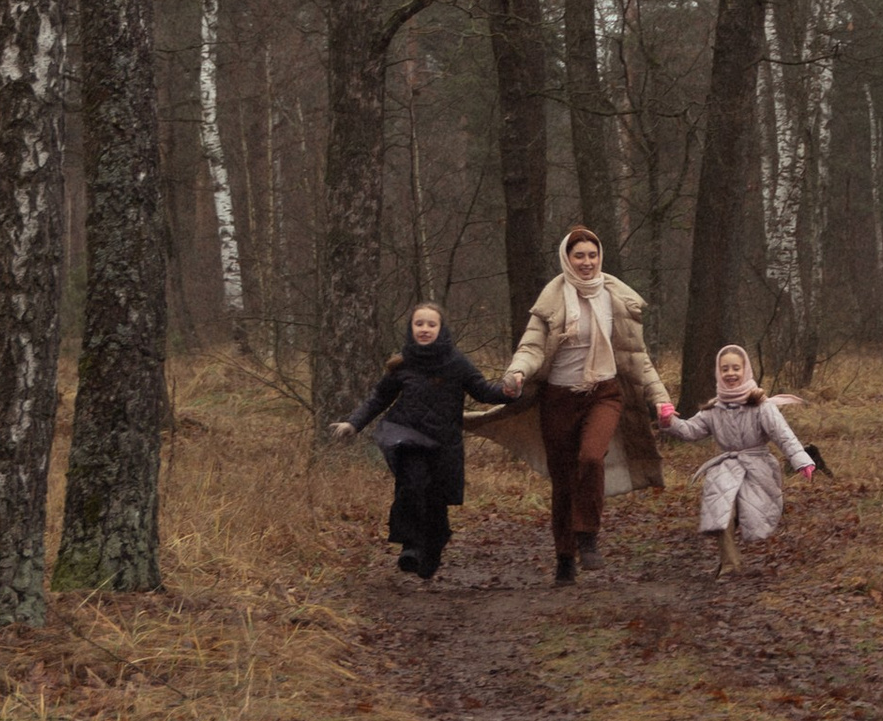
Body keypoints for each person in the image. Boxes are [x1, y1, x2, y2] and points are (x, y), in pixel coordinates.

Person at [501, 226, 676, 586]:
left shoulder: (615, 297)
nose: (586, 262)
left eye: (592, 255)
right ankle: (565, 557)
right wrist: (517, 373)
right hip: (559, 399)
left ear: (601, 258)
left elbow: (637, 358)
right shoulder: (551, 300)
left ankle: (588, 535)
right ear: (567, 258)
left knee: (592, 458)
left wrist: (661, 399)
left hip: (603, 393)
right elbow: (532, 347)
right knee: (563, 482)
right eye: (579, 255)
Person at [334, 304, 507, 583]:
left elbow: (484, 391)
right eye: (419, 324)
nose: (424, 329)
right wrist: (353, 423)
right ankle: (410, 546)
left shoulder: (457, 363)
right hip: (406, 435)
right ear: (411, 328)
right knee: (412, 486)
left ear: (441, 329)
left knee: (435, 499)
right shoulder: (402, 363)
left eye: (431, 325)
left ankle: (435, 544)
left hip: (443, 441)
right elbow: (379, 398)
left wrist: (510, 391)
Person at [665, 346, 818, 573]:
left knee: (751, 512)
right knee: (721, 511)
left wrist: (801, 460)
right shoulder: (713, 409)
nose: (731, 373)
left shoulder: (761, 405)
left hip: (758, 467)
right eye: (725, 368)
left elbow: (782, 434)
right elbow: (690, 431)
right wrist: (669, 421)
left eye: (736, 368)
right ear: (719, 373)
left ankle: (736, 555)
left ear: (745, 370)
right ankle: (730, 564)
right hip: (726, 468)